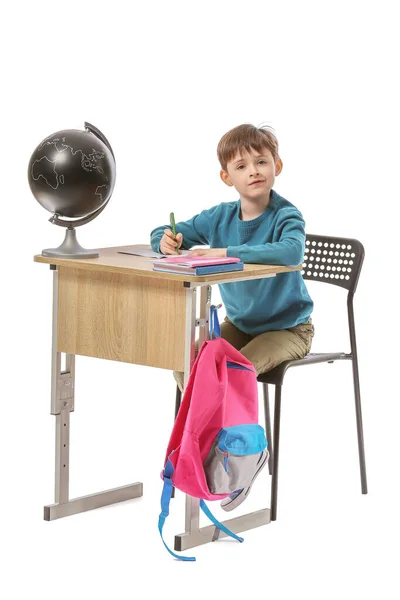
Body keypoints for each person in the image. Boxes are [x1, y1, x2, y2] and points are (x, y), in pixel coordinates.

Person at [150, 123, 314, 393]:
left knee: (234, 369)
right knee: (186, 359)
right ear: (227, 177)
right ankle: (204, 434)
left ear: (278, 166)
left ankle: (221, 435)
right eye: (241, 166)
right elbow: (167, 231)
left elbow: (291, 251)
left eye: (261, 161)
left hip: (288, 330)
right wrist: (164, 241)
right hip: (239, 326)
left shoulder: (286, 215)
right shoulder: (219, 217)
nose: (253, 171)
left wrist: (225, 252)